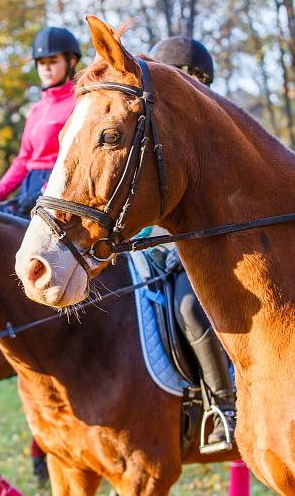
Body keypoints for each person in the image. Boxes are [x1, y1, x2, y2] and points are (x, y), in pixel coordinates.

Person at [150, 36, 235, 451]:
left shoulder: (220, 134)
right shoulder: (154, 133)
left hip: (200, 253)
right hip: (154, 251)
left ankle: (223, 406)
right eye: (179, 77)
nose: (187, 85)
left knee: (189, 310)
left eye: (194, 78)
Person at [0, 27, 80, 218]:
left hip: (57, 189)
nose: (46, 68)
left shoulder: (78, 103)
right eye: (41, 63)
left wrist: (45, 191)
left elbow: (76, 158)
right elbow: (23, 159)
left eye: (53, 61)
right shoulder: (36, 109)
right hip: (28, 186)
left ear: (71, 61)